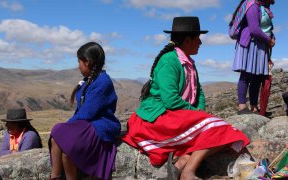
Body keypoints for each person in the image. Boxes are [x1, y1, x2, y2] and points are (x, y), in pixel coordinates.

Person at [122, 16, 250, 180]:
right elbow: (170, 100)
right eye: (198, 38)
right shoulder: (169, 61)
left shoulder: (189, 62)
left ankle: (182, 162)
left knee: (223, 132)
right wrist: (196, 114)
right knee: (218, 128)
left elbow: (199, 92)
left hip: (177, 116)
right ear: (187, 39)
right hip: (159, 117)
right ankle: (188, 172)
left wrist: (200, 112)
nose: (200, 43)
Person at [49, 42, 121, 180]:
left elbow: (88, 112)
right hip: (88, 123)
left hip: (100, 125)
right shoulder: (90, 80)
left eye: (79, 62)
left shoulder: (103, 82)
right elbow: (82, 111)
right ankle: (55, 176)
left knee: (65, 145)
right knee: (58, 134)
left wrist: (69, 125)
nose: (78, 66)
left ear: (87, 62)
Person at [229, 0, 276, 114]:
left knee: (257, 77)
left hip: (260, 45)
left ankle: (254, 107)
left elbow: (267, 28)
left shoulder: (263, 7)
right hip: (250, 44)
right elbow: (254, 29)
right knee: (246, 75)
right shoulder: (253, 6)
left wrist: (272, 38)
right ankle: (242, 107)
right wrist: (269, 40)